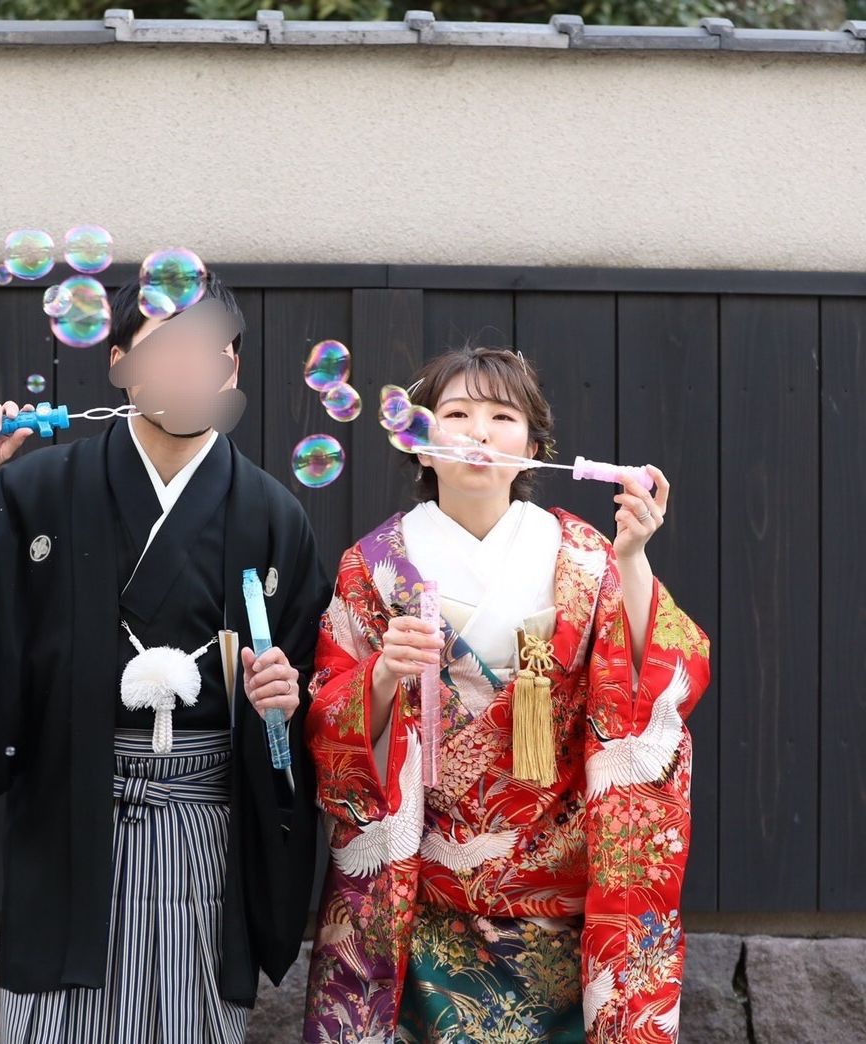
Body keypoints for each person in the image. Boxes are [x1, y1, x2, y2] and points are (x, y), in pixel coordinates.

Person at [0, 272, 330, 1043]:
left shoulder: (272, 515)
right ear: (120, 361)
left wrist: (286, 700)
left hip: (207, 832)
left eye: (212, 351)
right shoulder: (33, 491)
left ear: (231, 372)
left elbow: (311, 695)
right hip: (69, 818)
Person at [302, 345, 711, 1043]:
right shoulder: (372, 568)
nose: (479, 433)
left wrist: (633, 558)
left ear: (533, 447)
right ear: (419, 444)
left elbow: (650, 690)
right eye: (456, 414)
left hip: (561, 906)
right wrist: (383, 676)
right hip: (424, 900)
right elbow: (331, 720)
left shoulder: (586, 557)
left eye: (502, 416)